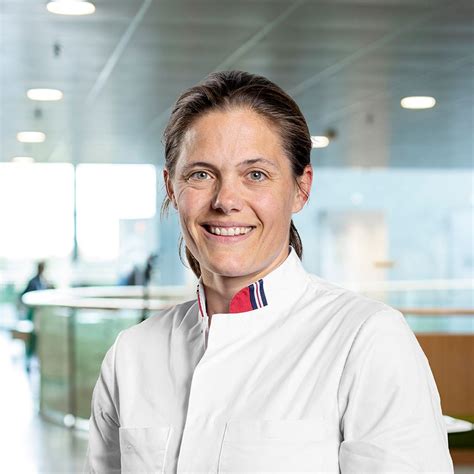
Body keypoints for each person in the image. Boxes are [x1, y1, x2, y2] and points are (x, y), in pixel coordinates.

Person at [85, 71, 453, 473]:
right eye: (201, 174)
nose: (226, 200)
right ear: (172, 188)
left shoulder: (366, 340)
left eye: (255, 175)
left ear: (300, 188)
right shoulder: (131, 354)